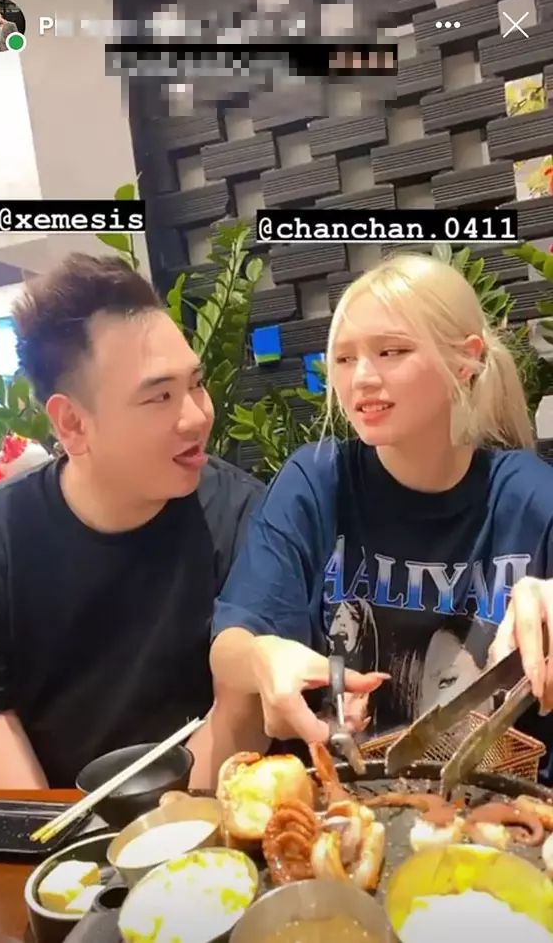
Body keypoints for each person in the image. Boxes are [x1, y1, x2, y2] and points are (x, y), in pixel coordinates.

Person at [209, 252, 553, 780]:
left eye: (391, 351)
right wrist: (261, 656)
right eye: (345, 358)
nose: (362, 378)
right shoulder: (317, 481)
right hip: (340, 801)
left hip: (506, 807)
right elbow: (230, 643)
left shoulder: (526, 493)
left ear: (467, 360)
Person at [0, 253, 263, 789]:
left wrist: (162, 829)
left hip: (204, 809)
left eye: (195, 384)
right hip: (62, 824)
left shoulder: (244, 517)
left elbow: (239, 714)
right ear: (72, 423)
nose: (196, 416)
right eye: (159, 396)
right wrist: (76, 840)